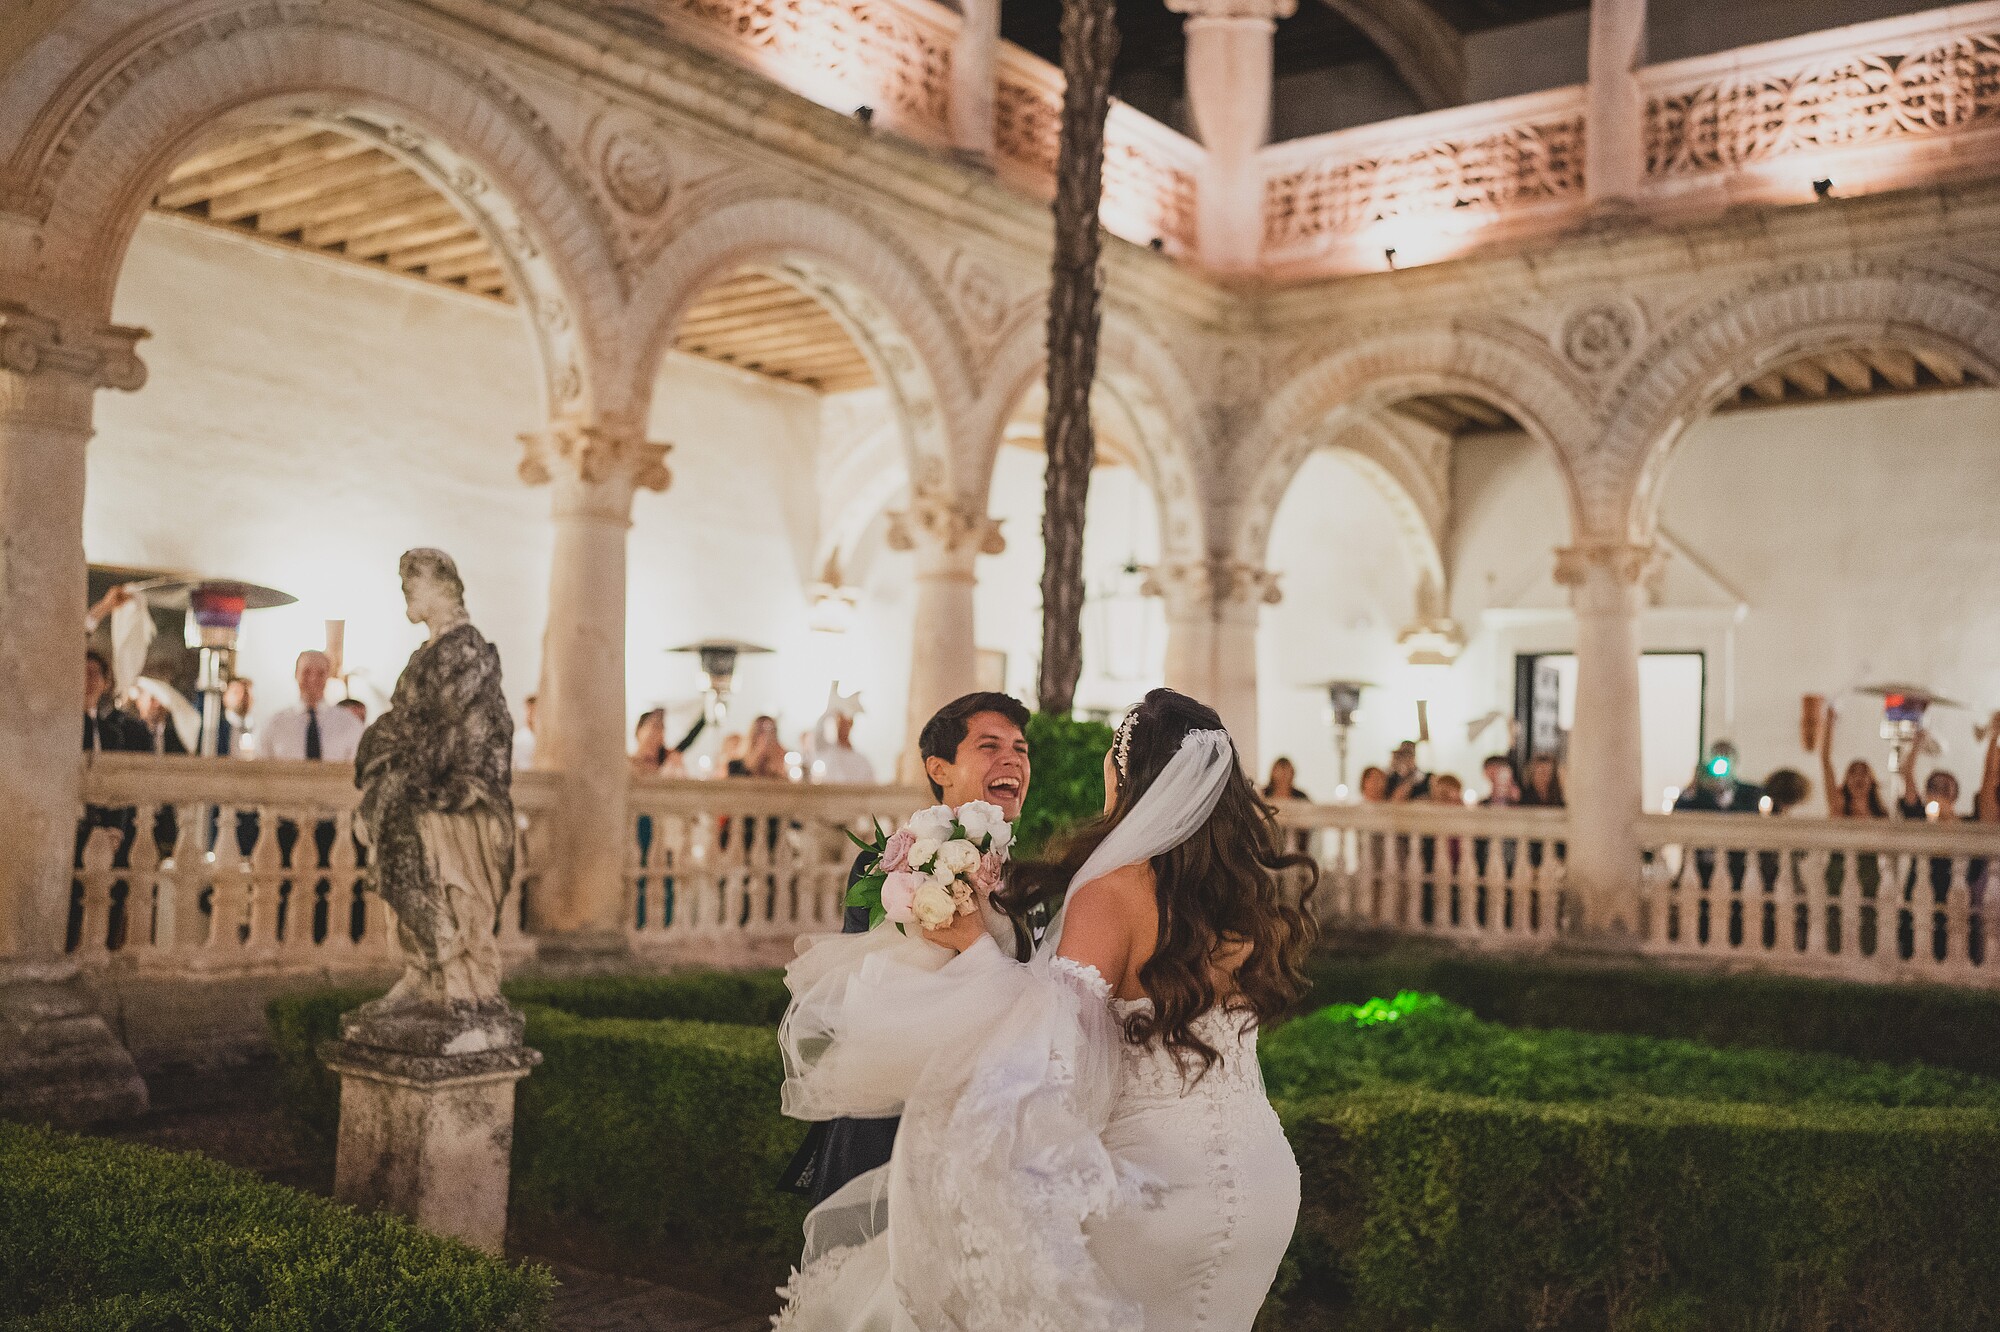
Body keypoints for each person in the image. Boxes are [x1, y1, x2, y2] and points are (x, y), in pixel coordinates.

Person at [775, 688, 1317, 1331]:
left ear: (1128, 778)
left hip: (1155, 1186)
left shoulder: (1111, 890)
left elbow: (1054, 1049)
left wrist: (975, 948)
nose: (1013, 759)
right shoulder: (1237, 899)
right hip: (1265, 1179)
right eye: (991, 746)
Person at [780, 691, 1034, 1206]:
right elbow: (863, 992)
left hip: (994, 1113)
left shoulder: (1032, 880)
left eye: (1021, 749)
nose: (1012, 760)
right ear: (939, 769)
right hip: (894, 1114)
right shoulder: (891, 865)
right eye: (990, 746)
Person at [811, 711, 876, 785]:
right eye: (840, 723)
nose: (843, 728)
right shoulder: (828, 755)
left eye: (846, 723)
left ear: (851, 725)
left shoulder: (862, 761)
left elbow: (870, 786)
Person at [513, 694, 538, 771]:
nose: (530, 714)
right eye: (529, 710)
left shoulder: (547, 740)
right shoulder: (518, 739)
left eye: (534, 711)